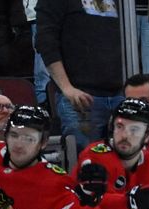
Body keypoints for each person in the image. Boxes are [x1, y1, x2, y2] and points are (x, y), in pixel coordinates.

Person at [36, 0, 125, 153]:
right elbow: (46, 43)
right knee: (86, 166)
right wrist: (66, 88)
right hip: (81, 98)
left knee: (125, 167)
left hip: (119, 93)